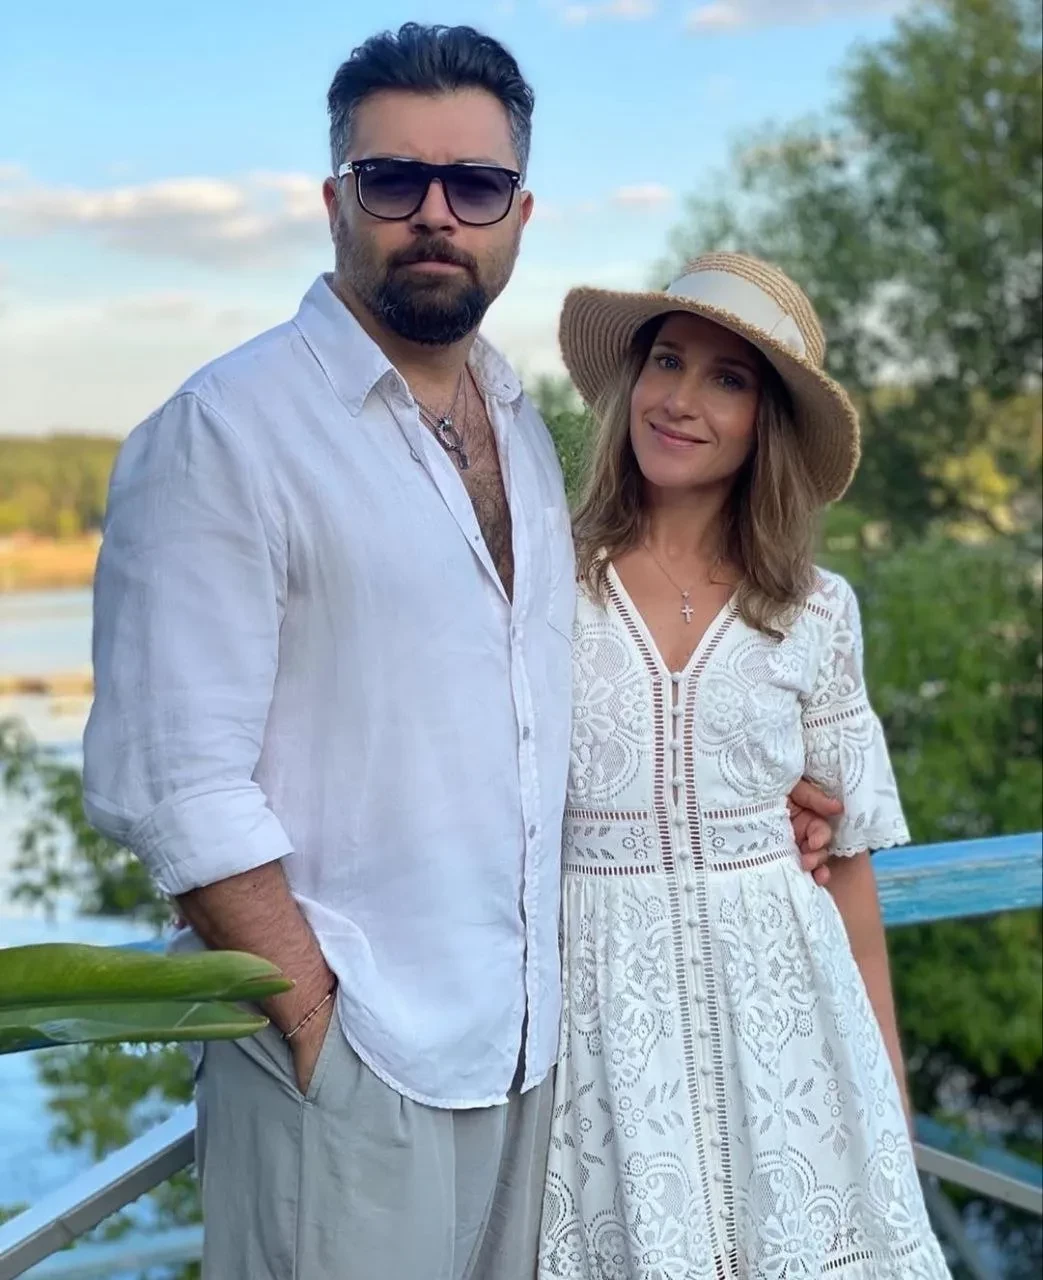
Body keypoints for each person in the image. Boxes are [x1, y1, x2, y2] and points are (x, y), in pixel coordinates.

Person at [83, 27, 839, 1280]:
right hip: (349, 1063)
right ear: (334, 198)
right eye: (394, 179)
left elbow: (546, 704)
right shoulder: (223, 430)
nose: (435, 213)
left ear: (518, 215)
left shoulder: (520, 425)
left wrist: (752, 788)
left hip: (532, 1060)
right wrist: (317, 1025)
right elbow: (170, 781)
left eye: (474, 185)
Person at [536, 252, 952, 1278]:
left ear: (765, 421)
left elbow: (845, 872)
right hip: (604, 1040)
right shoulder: (543, 583)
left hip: (791, 1039)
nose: (680, 399)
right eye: (665, 361)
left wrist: (887, 1105)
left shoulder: (814, 610)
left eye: (726, 378)